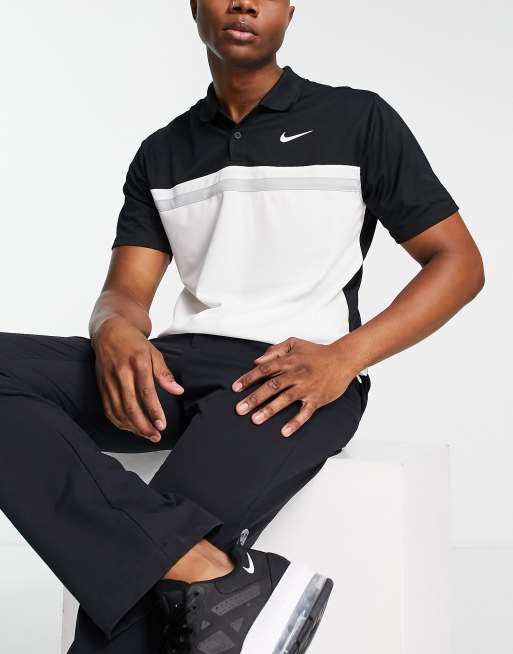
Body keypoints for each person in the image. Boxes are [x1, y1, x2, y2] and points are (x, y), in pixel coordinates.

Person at [0, 1, 484, 653]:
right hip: (173, 367)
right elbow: (126, 292)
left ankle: (196, 571)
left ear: (289, 10)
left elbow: (457, 262)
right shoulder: (163, 152)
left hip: (290, 374)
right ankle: (217, 575)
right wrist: (112, 327)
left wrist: (346, 358)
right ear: (194, 6)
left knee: (139, 584)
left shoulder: (357, 119)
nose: (245, 2)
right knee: (159, 552)